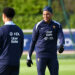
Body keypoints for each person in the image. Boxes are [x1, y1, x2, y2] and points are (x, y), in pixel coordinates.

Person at [27, 6, 65, 75]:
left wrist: (61, 45)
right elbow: (33, 42)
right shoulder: (38, 25)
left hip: (52, 55)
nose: (45, 16)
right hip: (41, 55)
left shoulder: (57, 25)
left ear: (52, 14)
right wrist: (29, 57)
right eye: (44, 14)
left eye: (47, 14)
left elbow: (61, 36)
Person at [0, 7, 24, 75]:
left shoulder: (1, 30)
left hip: (3, 63)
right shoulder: (19, 30)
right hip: (16, 63)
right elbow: (21, 49)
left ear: (3, 15)